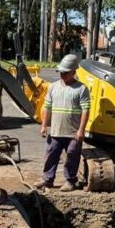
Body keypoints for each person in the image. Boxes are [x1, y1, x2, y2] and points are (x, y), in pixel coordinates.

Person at [35, 54, 89, 192]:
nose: (62, 75)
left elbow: (85, 110)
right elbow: (46, 107)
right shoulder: (53, 87)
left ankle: (70, 181)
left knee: (72, 155)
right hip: (55, 131)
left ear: (73, 72)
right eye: (61, 72)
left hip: (73, 132)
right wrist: (43, 126)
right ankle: (47, 180)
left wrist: (81, 130)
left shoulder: (81, 89)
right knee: (51, 154)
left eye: (66, 73)